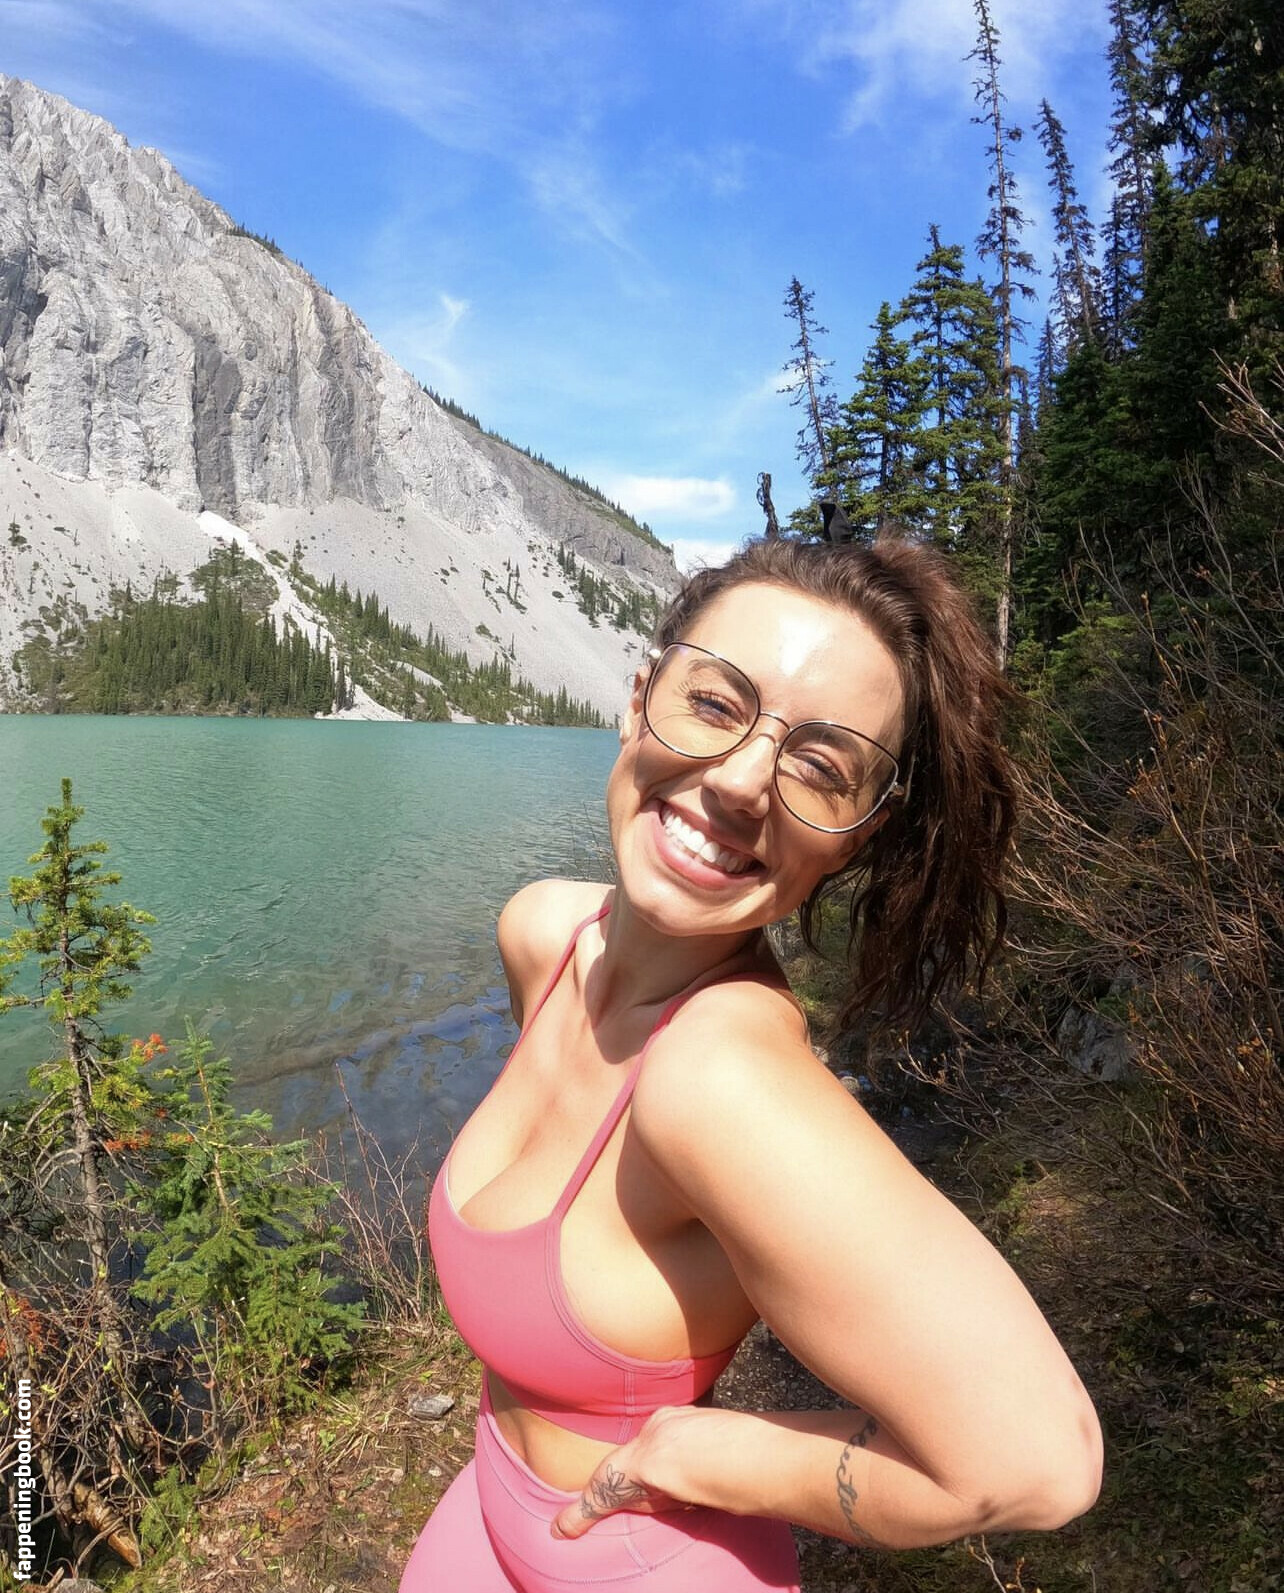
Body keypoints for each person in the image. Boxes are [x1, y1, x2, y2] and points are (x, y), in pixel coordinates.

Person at [400, 534, 1103, 1592]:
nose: (739, 782)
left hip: (641, 1564)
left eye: (820, 767)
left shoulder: (719, 1079)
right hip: (492, 1499)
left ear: (857, 837)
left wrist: (717, 1453)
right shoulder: (543, 934)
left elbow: (1039, 1464)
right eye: (714, 703)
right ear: (638, 699)